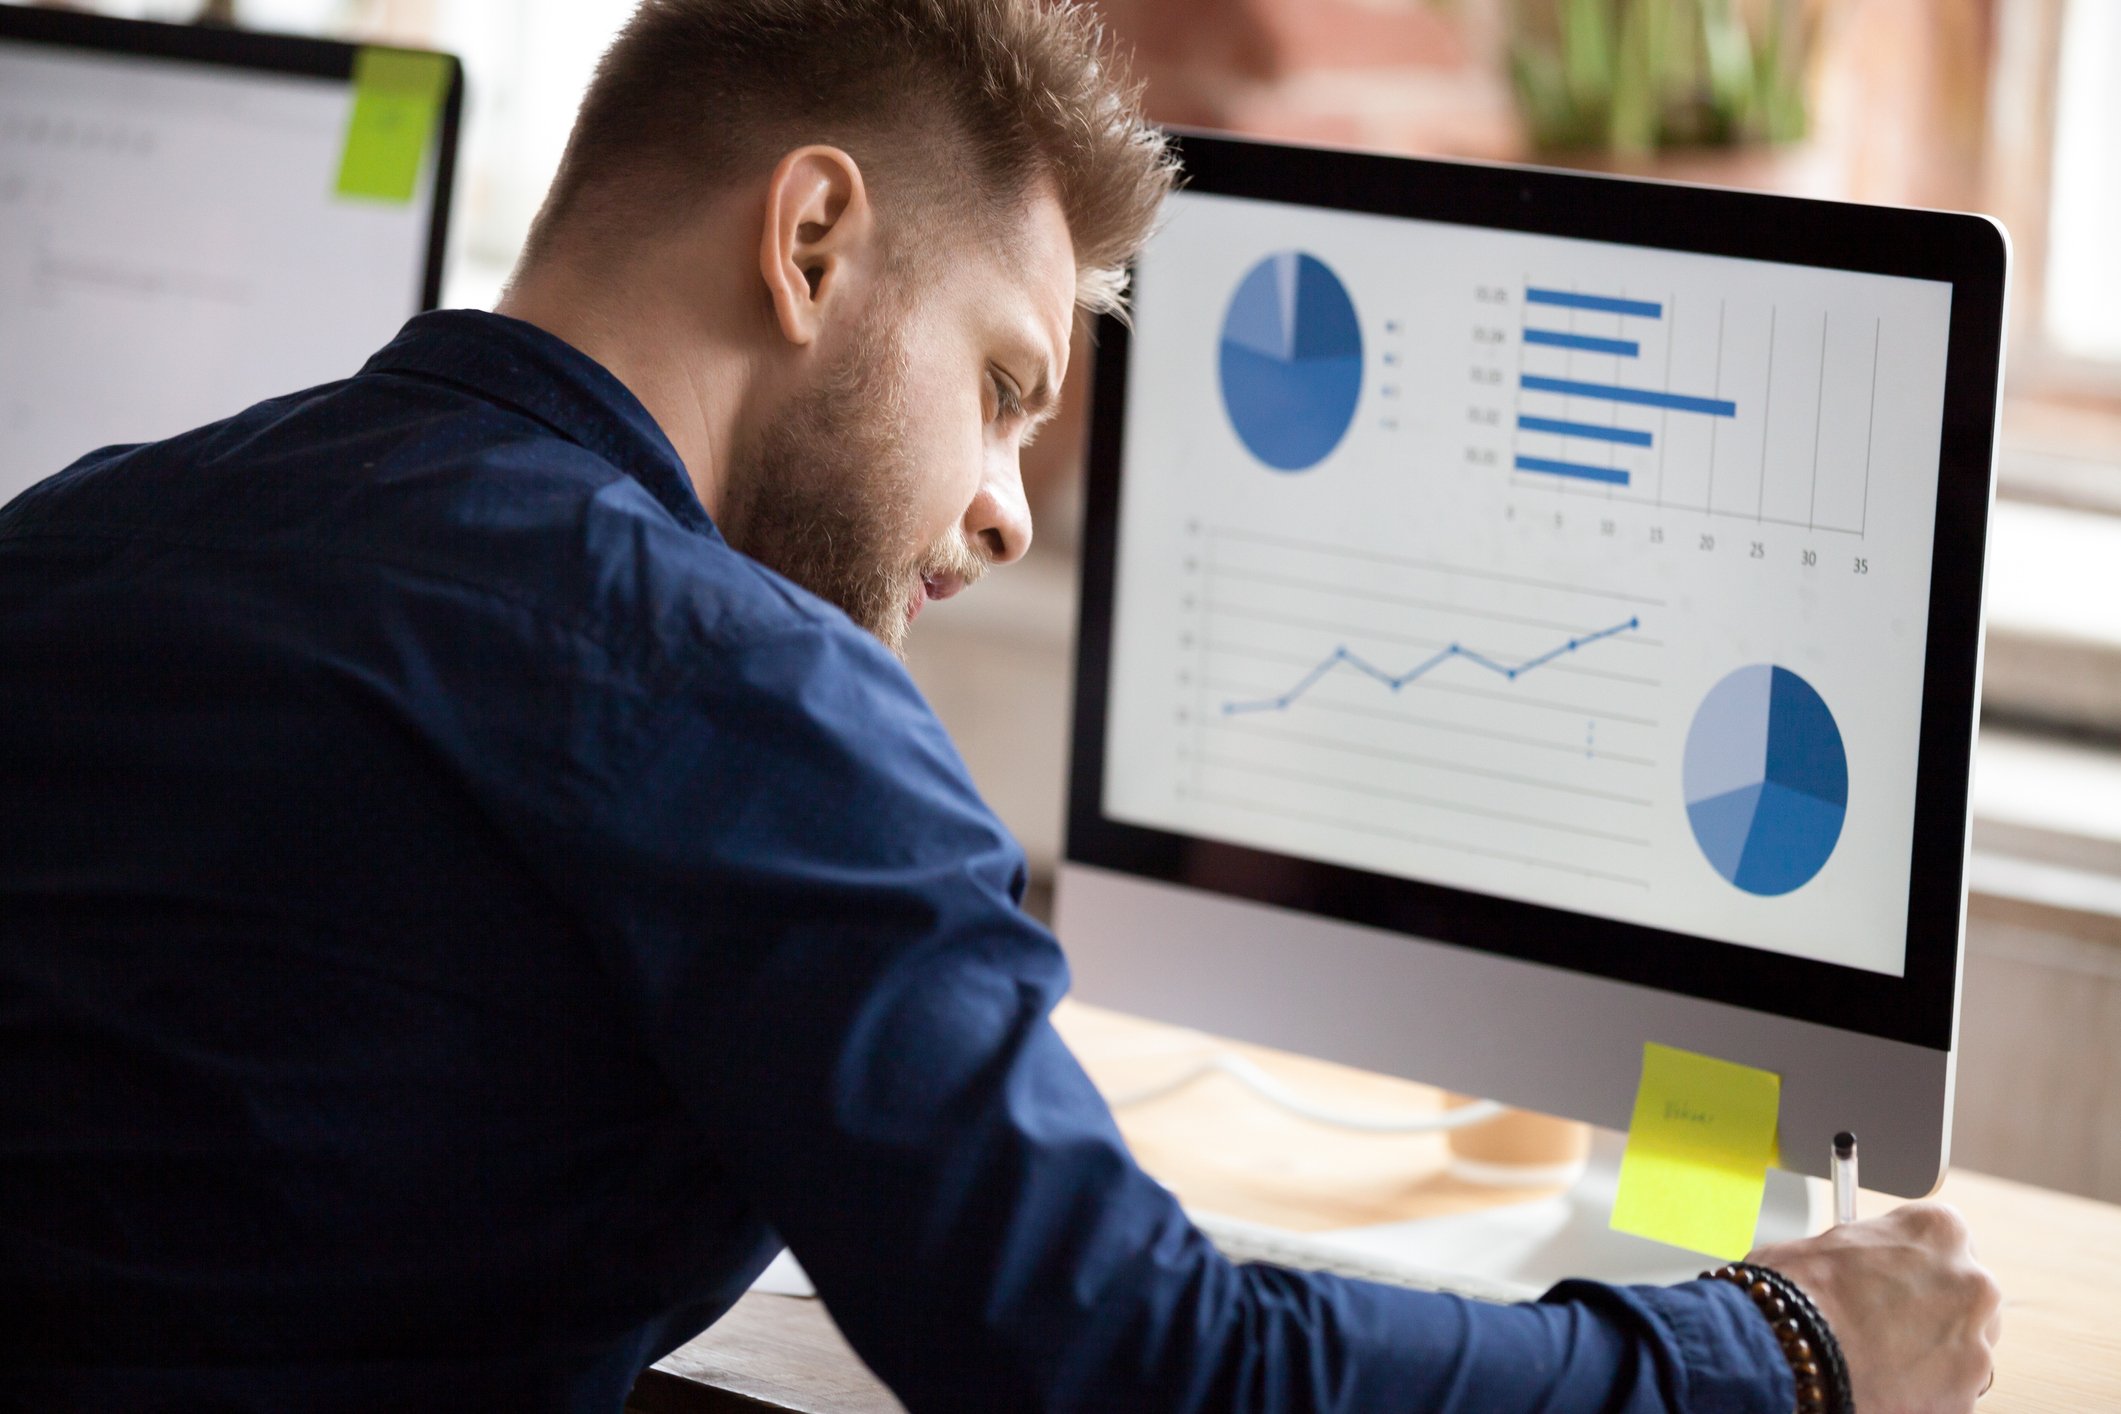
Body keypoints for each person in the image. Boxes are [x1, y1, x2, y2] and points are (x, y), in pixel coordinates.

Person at [0, 1, 2001, 1410]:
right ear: (811, 240)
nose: (1003, 509)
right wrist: (1780, 1347)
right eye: (1004, 382)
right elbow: (1135, 1358)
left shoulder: (85, 528)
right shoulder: (733, 684)